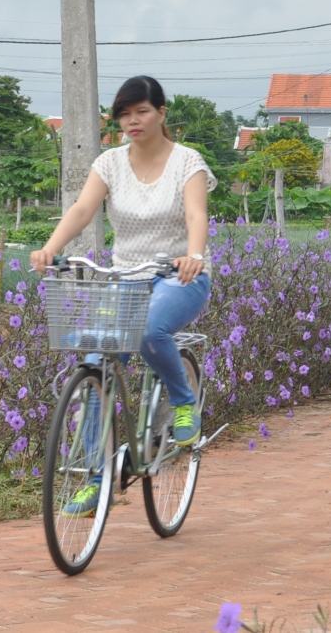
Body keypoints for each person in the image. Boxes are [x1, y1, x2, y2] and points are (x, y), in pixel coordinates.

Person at [31, 76, 215, 515]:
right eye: (124, 115)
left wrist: (194, 254)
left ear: (161, 113)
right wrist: (50, 248)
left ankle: (184, 401)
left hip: (178, 277)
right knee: (96, 364)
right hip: (126, 278)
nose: (132, 121)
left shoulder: (187, 162)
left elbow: (195, 213)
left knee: (152, 329)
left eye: (142, 112)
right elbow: (81, 209)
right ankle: (98, 479)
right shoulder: (110, 163)